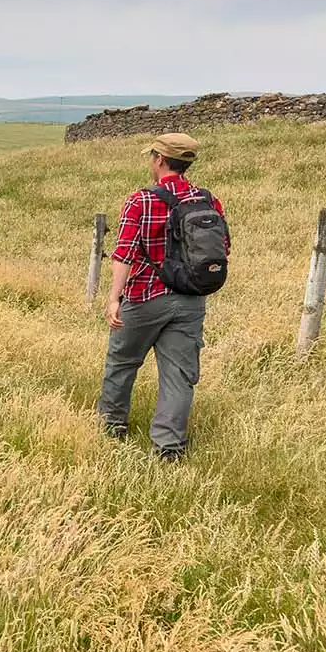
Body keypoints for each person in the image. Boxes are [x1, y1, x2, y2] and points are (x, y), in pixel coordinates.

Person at [98, 132, 227, 460]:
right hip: (191, 299)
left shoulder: (141, 200)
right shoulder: (208, 200)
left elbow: (123, 254)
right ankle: (169, 450)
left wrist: (114, 298)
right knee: (179, 376)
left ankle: (111, 430)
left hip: (144, 297)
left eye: (152, 156)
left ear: (159, 159)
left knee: (123, 362)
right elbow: (222, 249)